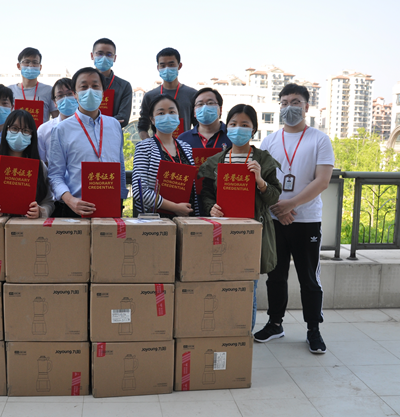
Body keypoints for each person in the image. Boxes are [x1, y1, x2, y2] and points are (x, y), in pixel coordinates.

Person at [254, 83, 334, 354]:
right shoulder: (270, 141)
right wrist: (279, 208)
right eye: (285, 102)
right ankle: (275, 323)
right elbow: (262, 180)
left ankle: (313, 329)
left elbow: (322, 181)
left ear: (306, 107)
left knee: (308, 278)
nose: (290, 107)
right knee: (275, 276)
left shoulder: (319, 140)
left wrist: (291, 204)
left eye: (296, 102)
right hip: (274, 218)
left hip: (306, 219)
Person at [198, 104, 282, 331]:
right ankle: (222, 330)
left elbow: (274, 196)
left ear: (253, 130)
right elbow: (206, 194)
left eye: (245, 125)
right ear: (227, 127)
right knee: (221, 282)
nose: (238, 129)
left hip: (251, 234)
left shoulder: (263, 160)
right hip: (221, 233)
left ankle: (244, 334)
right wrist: (211, 208)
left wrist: (260, 181)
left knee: (247, 286)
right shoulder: (217, 161)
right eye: (233, 124)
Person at [48, 67, 127, 217]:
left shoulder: (114, 125)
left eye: (95, 86)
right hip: (75, 209)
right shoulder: (61, 129)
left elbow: (120, 167)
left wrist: (120, 200)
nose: (90, 91)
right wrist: (70, 201)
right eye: (84, 87)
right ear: (75, 94)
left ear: (103, 93)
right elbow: (55, 175)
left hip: (110, 208)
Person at [0, 109, 54, 218]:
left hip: (29, 226)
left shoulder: (40, 167)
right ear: (6, 130)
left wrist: (40, 211)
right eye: (14, 128)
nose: (20, 134)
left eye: (26, 130)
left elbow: (49, 203)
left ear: (32, 135)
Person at [132, 94, 199, 217]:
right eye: (161, 113)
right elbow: (139, 192)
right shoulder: (144, 147)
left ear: (178, 116)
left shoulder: (186, 148)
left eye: (172, 112)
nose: (167, 116)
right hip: (157, 220)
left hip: (187, 218)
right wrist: (175, 208)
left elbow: (192, 188)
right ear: (152, 119)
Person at [137, 47, 197, 140]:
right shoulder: (150, 96)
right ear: (158, 68)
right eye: (163, 65)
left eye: (171, 65)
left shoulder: (192, 94)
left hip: (184, 146)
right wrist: (151, 145)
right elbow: (142, 127)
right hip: (158, 147)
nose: (167, 68)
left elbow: (198, 126)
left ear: (179, 66)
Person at [91, 37, 133, 128]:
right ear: (92, 55)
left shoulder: (124, 86)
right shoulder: (82, 84)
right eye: (100, 53)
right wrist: (112, 121)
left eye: (109, 54)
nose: (104, 57)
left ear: (114, 58)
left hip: (112, 134)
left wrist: (91, 123)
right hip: (84, 133)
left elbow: (123, 119)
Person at [8, 47, 58, 123]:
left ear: (40, 67)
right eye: (26, 62)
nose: (31, 65)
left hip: (41, 131)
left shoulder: (49, 90)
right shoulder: (10, 91)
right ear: (19, 66)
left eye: (35, 62)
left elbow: (57, 119)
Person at [36, 78, 78, 164]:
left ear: (77, 96)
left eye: (70, 94)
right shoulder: (44, 130)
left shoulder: (88, 126)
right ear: (54, 102)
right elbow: (42, 162)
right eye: (60, 95)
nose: (66, 98)